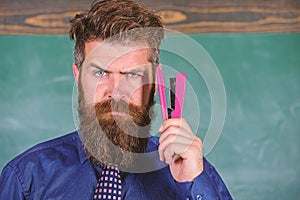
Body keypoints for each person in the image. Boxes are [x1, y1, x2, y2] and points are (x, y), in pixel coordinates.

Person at [0, 0, 232, 199]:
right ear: (78, 77)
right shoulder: (25, 178)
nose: (116, 92)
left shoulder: (195, 175)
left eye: (132, 75)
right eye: (100, 73)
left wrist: (192, 181)